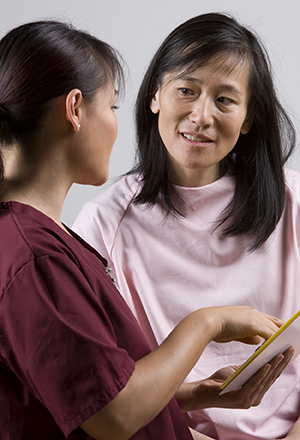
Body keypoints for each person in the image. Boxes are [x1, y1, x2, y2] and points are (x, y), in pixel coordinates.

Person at [0, 19, 293, 440]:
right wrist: (206, 323)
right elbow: (112, 414)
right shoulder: (36, 253)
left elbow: (100, 388)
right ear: (75, 109)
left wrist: (191, 393)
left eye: (226, 99)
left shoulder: (46, 241)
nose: (202, 116)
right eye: (111, 107)